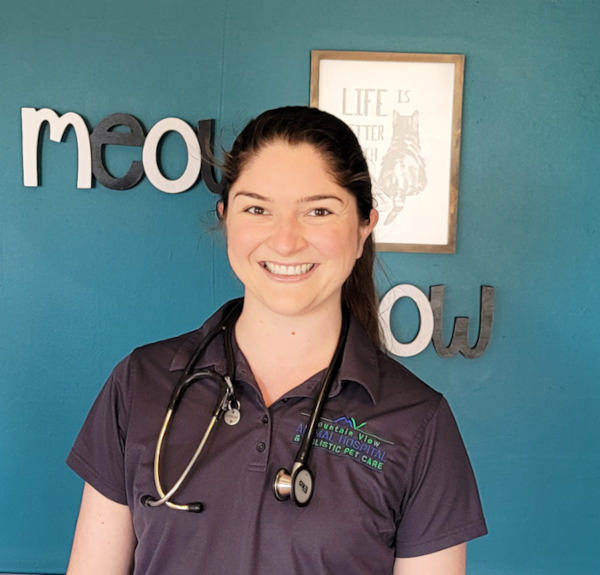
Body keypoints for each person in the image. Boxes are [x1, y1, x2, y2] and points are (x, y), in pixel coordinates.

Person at [66, 106, 487, 575]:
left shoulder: (417, 422)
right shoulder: (140, 384)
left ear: (365, 225)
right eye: (257, 209)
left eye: (319, 210)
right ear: (226, 217)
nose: (285, 241)